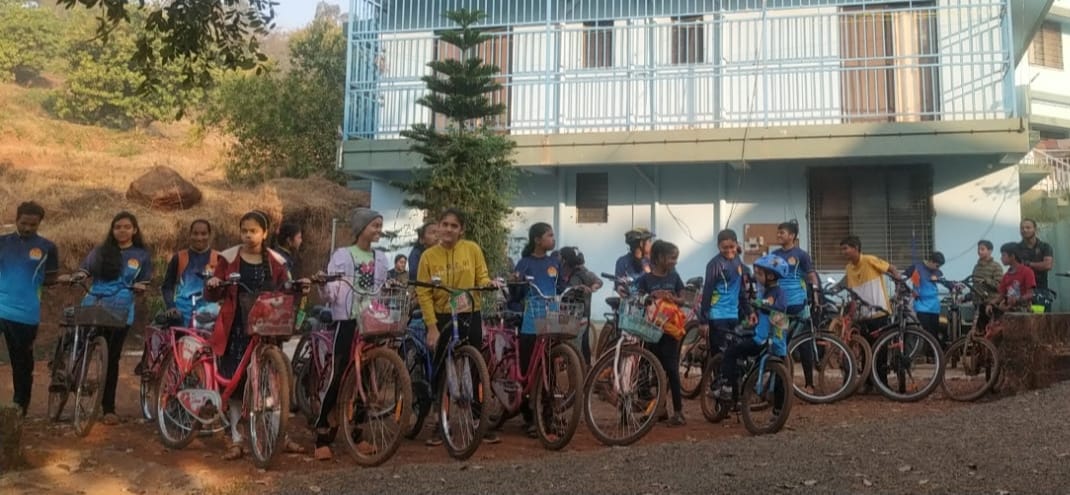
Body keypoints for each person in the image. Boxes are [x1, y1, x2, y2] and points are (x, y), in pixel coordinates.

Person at [205, 210, 304, 460]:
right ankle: (237, 439)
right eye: (244, 230)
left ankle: (277, 433)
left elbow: (286, 289)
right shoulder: (227, 258)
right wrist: (215, 284)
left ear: (265, 233)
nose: (248, 235)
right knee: (236, 384)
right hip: (236, 328)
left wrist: (299, 287)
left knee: (272, 384)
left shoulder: (276, 261)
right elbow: (214, 289)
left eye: (253, 231)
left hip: (266, 331)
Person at [414, 208, 499, 446]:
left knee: (474, 368)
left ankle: (477, 419)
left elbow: (481, 276)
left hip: (469, 313)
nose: (449, 229)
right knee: (441, 371)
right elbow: (423, 292)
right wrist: (431, 327)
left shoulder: (472, 249)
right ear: (438, 227)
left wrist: (487, 283)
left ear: (461, 230)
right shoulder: (428, 256)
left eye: (454, 225)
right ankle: (440, 422)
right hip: (441, 317)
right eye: (445, 224)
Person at [61, 212, 153, 426]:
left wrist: (141, 287)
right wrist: (79, 276)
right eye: (117, 227)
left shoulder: (141, 255)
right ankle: (67, 372)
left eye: (126, 227)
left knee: (111, 359)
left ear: (135, 230)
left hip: (121, 310)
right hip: (94, 302)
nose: (122, 230)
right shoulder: (100, 251)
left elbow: (145, 281)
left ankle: (108, 408)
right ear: (112, 230)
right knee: (80, 342)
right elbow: (85, 270)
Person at [313, 208, 389, 460]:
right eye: (374, 226)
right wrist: (325, 284)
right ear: (361, 228)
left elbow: (382, 288)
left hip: (370, 323)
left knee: (365, 376)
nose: (378, 230)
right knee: (338, 373)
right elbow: (332, 289)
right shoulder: (343, 255)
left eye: (380, 226)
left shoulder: (381, 258)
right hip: (347, 321)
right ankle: (322, 434)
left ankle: (357, 431)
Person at [0, 201, 59, 417]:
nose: (27, 228)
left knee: (21, 365)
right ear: (16, 219)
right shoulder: (2, 242)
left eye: (32, 225)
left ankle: (19, 409)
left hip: (25, 314)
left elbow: (51, 278)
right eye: (24, 223)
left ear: (39, 223)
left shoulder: (47, 247)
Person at [712, 254, 789, 402]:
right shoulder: (765, 291)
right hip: (771, 340)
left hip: (767, 340)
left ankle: (727, 387)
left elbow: (779, 307)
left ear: (771, 276)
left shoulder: (778, 293)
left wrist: (762, 304)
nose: (756, 277)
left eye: (760, 274)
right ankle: (776, 408)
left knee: (731, 351)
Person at [635, 240, 687, 427]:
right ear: (658, 258)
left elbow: (682, 298)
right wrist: (651, 297)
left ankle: (679, 412)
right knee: (653, 369)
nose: (674, 262)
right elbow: (638, 298)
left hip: (670, 331)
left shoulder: (674, 276)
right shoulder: (645, 279)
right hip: (651, 331)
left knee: (672, 369)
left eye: (676, 258)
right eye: (671, 258)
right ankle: (660, 409)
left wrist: (674, 298)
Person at [770, 220, 819, 392]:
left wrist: (817, 296)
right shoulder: (774, 255)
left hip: (798, 305)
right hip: (778, 307)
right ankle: (778, 387)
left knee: (804, 345)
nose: (778, 235)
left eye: (782, 232)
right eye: (778, 232)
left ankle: (809, 384)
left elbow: (812, 275)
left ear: (792, 236)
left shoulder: (802, 255)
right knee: (778, 344)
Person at [159, 219, 219, 326]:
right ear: (190, 235)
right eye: (195, 233)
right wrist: (171, 306)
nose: (199, 238)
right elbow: (167, 286)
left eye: (203, 234)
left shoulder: (219, 258)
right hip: (182, 310)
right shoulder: (179, 257)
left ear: (209, 235)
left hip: (209, 311)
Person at [698, 229, 747, 361]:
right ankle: (719, 380)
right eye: (724, 247)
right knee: (720, 356)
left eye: (732, 247)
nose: (729, 250)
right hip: (718, 316)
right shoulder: (714, 264)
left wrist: (749, 311)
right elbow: (707, 292)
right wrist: (704, 321)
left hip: (733, 315)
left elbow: (741, 290)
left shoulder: (737, 261)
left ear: (737, 244)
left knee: (734, 353)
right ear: (718, 247)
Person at [973, 243, 1036, 338]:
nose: (1001, 258)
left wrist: (1017, 299)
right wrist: (990, 303)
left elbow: (1031, 294)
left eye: (1003, 255)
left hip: (1023, 312)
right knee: (991, 333)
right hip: (1008, 312)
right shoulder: (1006, 276)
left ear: (1012, 256)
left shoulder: (1027, 272)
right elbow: (1001, 296)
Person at [838, 236, 900, 330]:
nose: (843, 252)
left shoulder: (869, 260)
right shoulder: (848, 268)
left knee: (881, 343)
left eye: (845, 248)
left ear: (855, 247)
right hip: (863, 315)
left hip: (880, 312)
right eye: (842, 249)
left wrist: (898, 286)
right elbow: (853, 294)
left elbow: (892, 269)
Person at [558, 246, 602, 363]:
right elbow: (599, 281)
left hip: (574, 315)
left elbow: (568, 292)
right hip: (584, 314)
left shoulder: (575, 277)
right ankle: (586, 369)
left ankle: (579, 372)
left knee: (574, 348)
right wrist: (594, 287)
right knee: (583, 345)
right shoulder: (586, 273)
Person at [904, 251, 950, 348]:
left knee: (934, 331)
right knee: (925, 332)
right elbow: (904, 278)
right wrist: (910, 289)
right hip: (921, 305)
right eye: (937, 265)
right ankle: (926, 352)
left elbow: (944, 281)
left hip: (934, 306)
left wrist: (953, 286)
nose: (938, 268)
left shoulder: (937, 272)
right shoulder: (917, 267)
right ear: (931, 261)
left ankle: (933, 355)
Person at [1017, 219, 1054, 311]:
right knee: (1023, 323)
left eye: (1028, 227)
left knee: (1042, 322)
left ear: (1035, 229)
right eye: (1022, 228)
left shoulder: (1045, 247)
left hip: (1041, 290)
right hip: (1022, 292)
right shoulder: (1016, 248)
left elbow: (1048, 265)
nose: (1024, 230)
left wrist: (1028, 264)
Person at [614, 228, 653, 293]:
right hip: (630, 300)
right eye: (649, 241)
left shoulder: (654, 261)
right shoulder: (622, 261)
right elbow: (618, 283)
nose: (651, 244)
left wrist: (649, 272)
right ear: (641, 243)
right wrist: (619, 288)